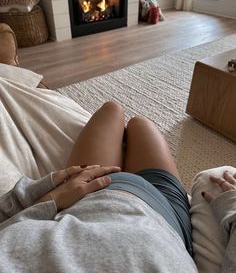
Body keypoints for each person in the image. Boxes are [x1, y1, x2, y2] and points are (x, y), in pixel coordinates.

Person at [0, 101, 234, 272]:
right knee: (140, 124)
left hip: (84, 197)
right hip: (164, 214)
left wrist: (48, 196)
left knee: (113, 110)